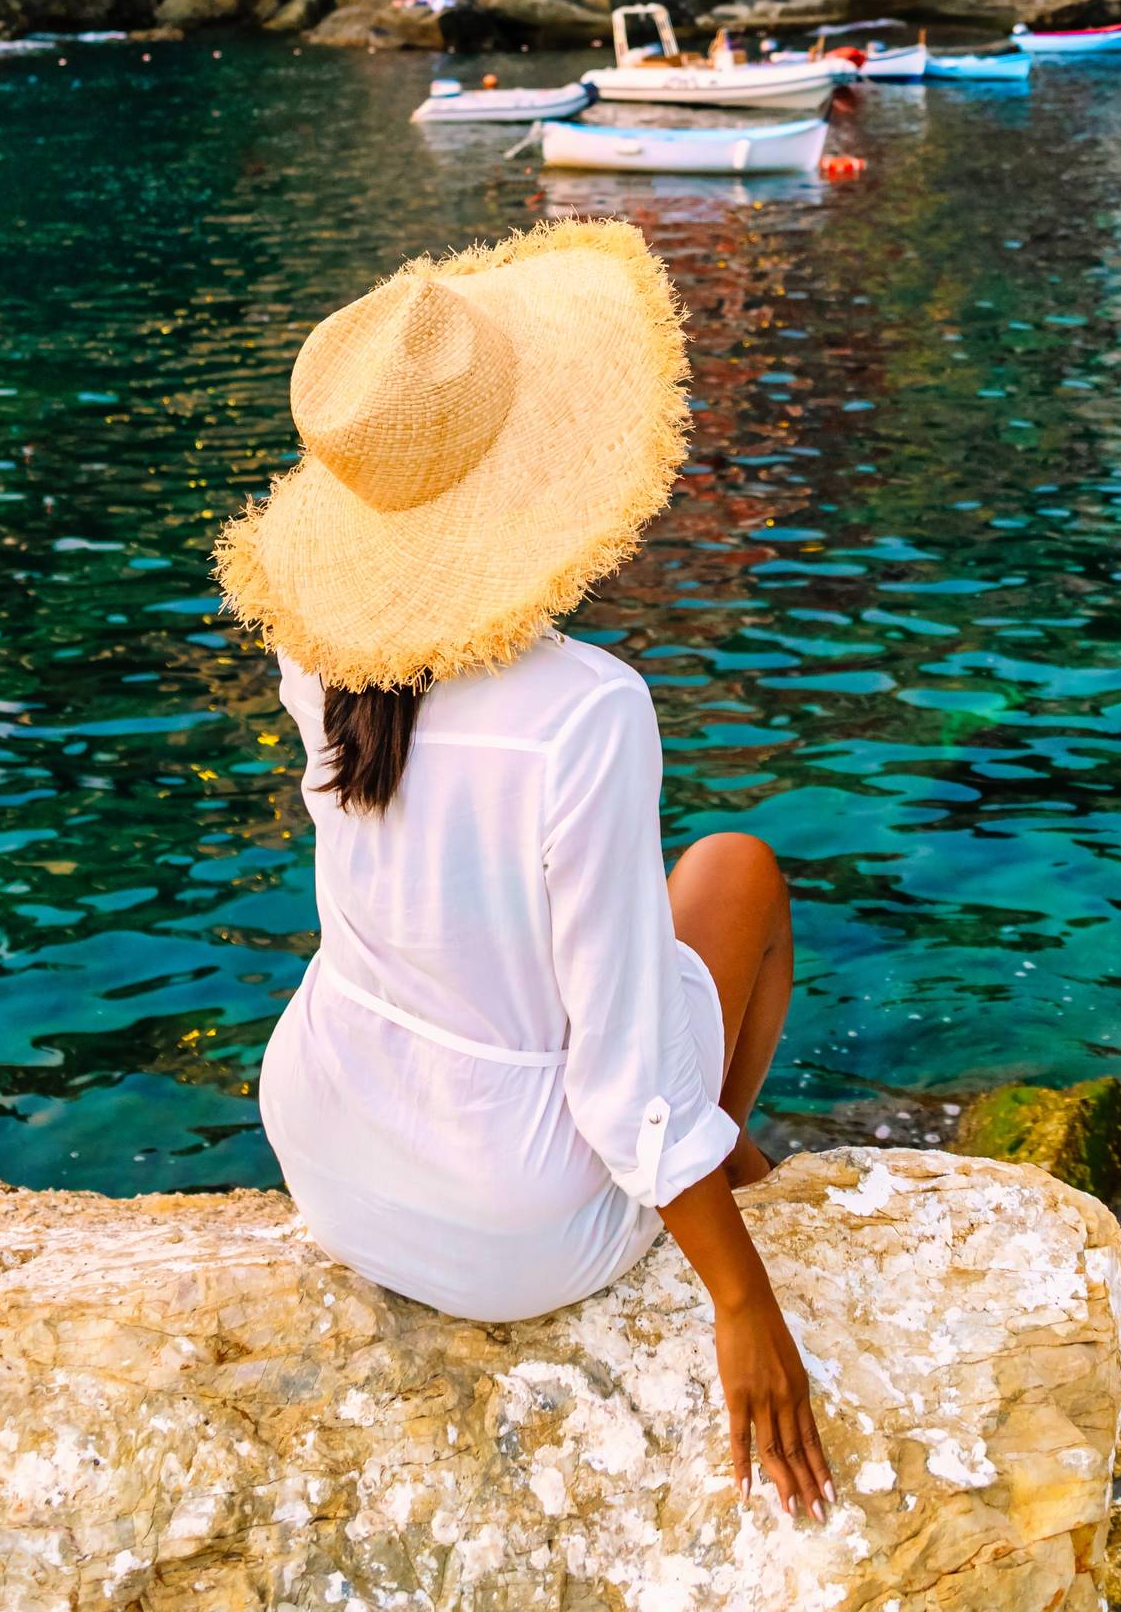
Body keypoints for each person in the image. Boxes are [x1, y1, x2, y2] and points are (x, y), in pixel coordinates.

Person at [215, 228, 830, 1519]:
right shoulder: (584, 712)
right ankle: (733, 1155)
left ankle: (734, 1146)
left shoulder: (320, 652)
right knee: (737, 874)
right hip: (511, 1230)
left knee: (599, 950)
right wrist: (744, 1300)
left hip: (330, 1146)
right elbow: (617, 1076)